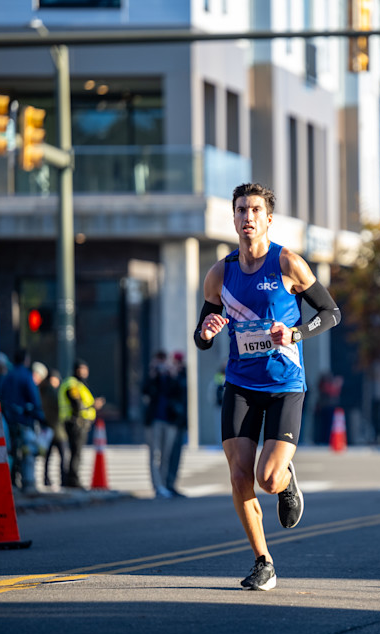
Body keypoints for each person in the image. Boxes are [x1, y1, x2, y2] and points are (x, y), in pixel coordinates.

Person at [195, 182, 341, 591]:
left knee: (267, 480)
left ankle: (287, 478)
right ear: (234, 218)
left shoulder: (289, 264)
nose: (248, 217)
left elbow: (331, 313)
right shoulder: (219, 273)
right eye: (241, 210)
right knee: (239, 474)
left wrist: (295, 334)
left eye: (255, 210)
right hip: (240, 384)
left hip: (284, 384)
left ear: (268, 219)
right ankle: (264, 562)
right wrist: (206, 332)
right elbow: (201, 334)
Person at [0, 349, 46, 493]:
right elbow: (34, 400)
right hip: (24, 420)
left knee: (11, 451)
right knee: (27, 452)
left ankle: (11, 480)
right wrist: (39, 416)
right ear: (26, 359)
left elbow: (1, 396)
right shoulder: (26, 376)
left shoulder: (7, 376)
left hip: (8, 419)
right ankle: (26, 481)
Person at [58, 359, 104, 489]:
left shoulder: (77, 384)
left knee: (75, 452)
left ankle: (71, 478)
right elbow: (76, 403)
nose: (85, 372)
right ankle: (73, 480)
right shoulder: (72, 384)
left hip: (77, 422)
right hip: (75, 422)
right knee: (75, 452)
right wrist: (93, 405)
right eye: (83, 369)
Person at [142, 350, 182, 498]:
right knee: (154, 455)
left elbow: (178, 392)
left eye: (163, 361)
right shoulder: (152, 377)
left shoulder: (171, 377)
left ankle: (165, 484)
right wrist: (152, 374)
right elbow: (145, 391)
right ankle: (157, 486)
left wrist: (172, 374)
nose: (161, 365)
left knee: (166, 454)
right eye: (158, 361)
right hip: (154, 421)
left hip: (169, 420)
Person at [164, 351, 189, 497]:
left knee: (177, 454)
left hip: (180, 421)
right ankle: (166, 483)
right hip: (170, 420)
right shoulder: (169, 377)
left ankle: (172, 483)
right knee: (168, 453)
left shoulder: (184, 376)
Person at [40, 368, 67, 487]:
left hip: (47, 429)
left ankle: (46, 478)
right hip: (57, 430)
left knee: (48, 457)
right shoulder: (53, 393)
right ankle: (63, 479)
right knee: (62, 456)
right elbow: (60, 410)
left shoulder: (42, 391)